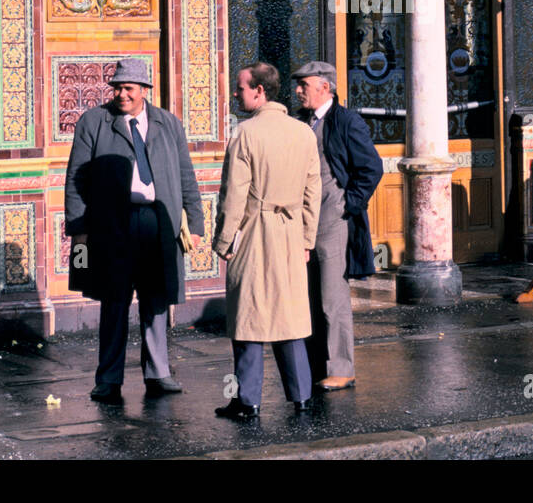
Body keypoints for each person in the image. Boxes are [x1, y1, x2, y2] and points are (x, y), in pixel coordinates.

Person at [65, 59, 203, 404]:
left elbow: (187, 175)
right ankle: (108, 379)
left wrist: (196, 223)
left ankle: (158, 373)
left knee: (156, 298)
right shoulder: (95, 122)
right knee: (114, 300)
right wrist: (79, 228)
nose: (121, 94)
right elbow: (76, 176)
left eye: (128, 88)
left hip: (157, 220)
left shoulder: (168, 123)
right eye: (117, 88)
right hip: (113, 224)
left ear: (144, 90)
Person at [213, 62, 322, 419]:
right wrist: (307, 239)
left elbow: (234, 196)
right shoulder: (303, 132)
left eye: (241, 87)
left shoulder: (246, 133)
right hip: (291, 233)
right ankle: (302, 396)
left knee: (248, 319)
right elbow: (312, 192)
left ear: (259, 91)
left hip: (255, 231)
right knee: (289, 317)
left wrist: (224, 241)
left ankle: (245, 400)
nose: (236, 93)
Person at [292, 61, 384, 392]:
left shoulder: (346, 121)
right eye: (298, 85)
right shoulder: (298, 121)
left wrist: (348, 205)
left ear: (325, 88)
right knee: (307, 296)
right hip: (302, 220)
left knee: (332, 297)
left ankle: (342, 368)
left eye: (304, 84)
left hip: (333, 218)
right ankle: (317, 365)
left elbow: (371, 168)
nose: (298, 90)